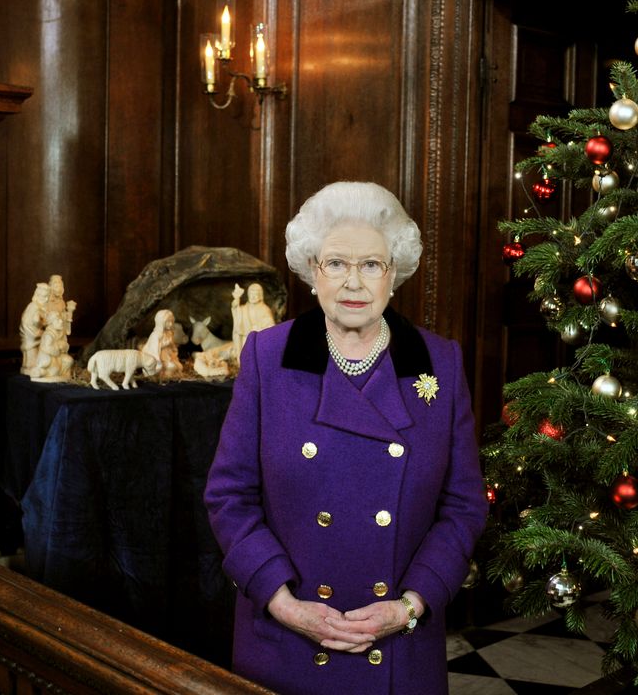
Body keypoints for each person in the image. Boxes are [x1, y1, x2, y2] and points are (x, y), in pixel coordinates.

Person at [204, 181, 488, 695]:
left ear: (394, 274)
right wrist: (283, 602)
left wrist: (409, 606)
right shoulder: (268, 357)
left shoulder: (439, 362)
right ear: (313, 273)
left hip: (399, 647)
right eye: (336, 263)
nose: (352, 282)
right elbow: (229, 497)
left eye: (371, 265)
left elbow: (464, 507)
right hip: (286, 640)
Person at [230, 281, 276, 364]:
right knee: (244, 358)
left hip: (257, 340)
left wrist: (258, 329)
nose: (253, 296)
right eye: (251, 294)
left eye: (255, 294)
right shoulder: (244, 308)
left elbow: (271, 327)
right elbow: (236, 309)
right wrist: (236, 300)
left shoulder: (264, 310)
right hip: (244, 340)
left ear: (260, 296)